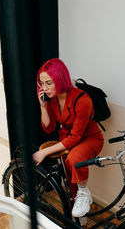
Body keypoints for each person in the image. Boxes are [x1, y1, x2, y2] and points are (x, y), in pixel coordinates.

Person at [33, 58, 104, 218]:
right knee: (70, 179)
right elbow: (49, 127)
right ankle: (80, 218)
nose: (44, 88)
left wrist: (45, 152)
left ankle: (85, 194)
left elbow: (75, 137)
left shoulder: (82, 100)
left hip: (89, 139)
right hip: (66, 139)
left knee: (75, 159)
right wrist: (43, 107)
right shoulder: (51, 99)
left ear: (60, 79)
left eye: (49, 83)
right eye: (41, 84)